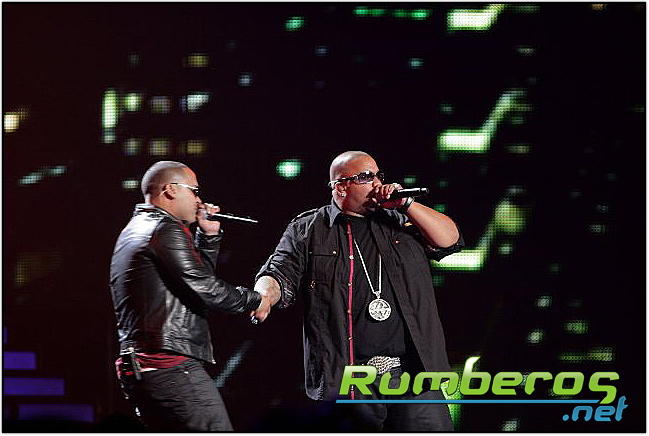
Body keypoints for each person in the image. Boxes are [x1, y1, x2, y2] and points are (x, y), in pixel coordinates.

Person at [252, 151, 464, 431]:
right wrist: (263, 296)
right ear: (341, 186)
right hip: (351, 379)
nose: (377, 183)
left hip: (414, 375)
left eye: (378, 175)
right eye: (366, 177)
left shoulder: (399, 221)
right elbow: (277, 272)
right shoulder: (309, 229)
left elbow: (450, 240)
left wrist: (407, 204)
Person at [109, 160, 271, 431]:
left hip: (143, 368)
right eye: (194, 191)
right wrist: (255, 300)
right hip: (170, 368)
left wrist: (208, 236)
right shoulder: (164, 228)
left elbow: (193, 282)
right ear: (170, 190)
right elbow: (206, 288)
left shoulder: (135, 228)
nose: (199, 200)